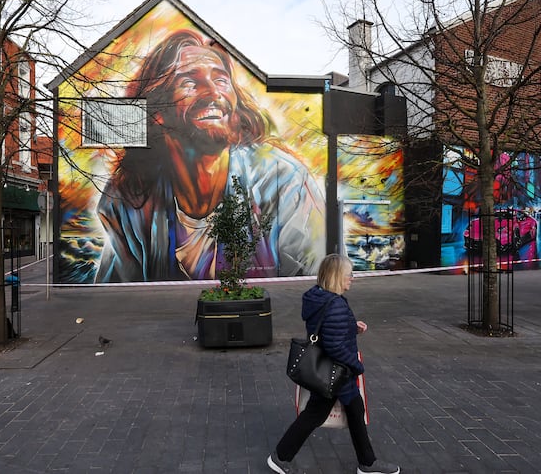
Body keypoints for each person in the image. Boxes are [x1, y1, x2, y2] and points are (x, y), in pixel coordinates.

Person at [95, 29, 324, 282]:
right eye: (190, 83)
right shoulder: (130, 200)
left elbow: (319, 284)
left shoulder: (283, 183)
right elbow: (116, 298)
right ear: (157, 113)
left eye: (221, 80)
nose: (214, 94)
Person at [268, 254, 400, 474]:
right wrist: (357, 367)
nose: (352, 278)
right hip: (337, 373)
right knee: (323, 413)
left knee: (348, 410)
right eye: (349, 274)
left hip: (328, 371)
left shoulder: (319, 298)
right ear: (337, 276)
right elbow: (335, 346)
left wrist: (350, 325)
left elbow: (327, 330)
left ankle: (367, 463)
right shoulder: (335, 305)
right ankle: (281, 457)